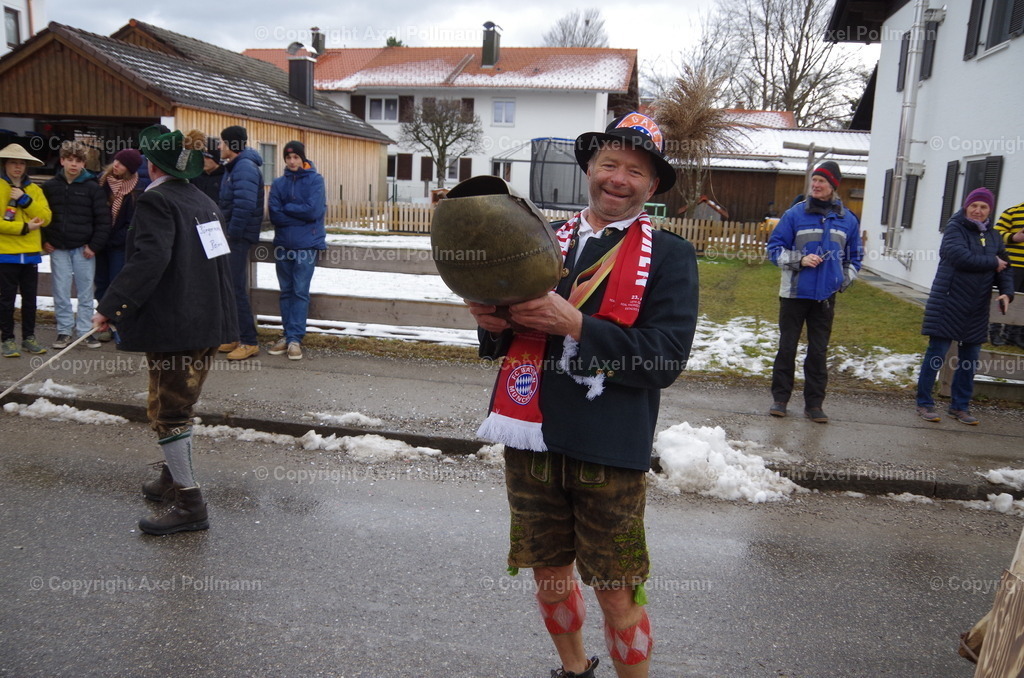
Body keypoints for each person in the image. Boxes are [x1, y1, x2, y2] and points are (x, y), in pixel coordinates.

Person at [466, 112, 699, 678]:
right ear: (590, 170)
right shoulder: (540, 240)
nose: (619, 178)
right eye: (609, 164)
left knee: (617, 594)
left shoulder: (670, 257)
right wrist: (489, 322)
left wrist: (577, 325)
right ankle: (575, 670)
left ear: (653, 185)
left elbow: (663, 360)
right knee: (548, 577)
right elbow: (508, 335)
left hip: (609, 447)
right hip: (531, 434)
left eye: (635, 171)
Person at [92, 125, 237, 535]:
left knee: (170, 410)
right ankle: (172, 478)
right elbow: (218, 261)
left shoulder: (157, 201)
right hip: (205, 322)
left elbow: (148, 260)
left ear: (153, 166)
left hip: (178, 325)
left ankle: (191, 504)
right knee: (167, 402)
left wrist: (111, 307)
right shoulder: (202, 199)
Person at [766, 160, 863, 423]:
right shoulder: (794, 215)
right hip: (794, 295)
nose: (816, 185)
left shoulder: (848, 220)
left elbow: (854, 257)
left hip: (824, 298)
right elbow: (773, 250)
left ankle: (814, 405)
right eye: (814, 180)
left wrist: (841, 281)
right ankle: (780, 400)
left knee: (818, 352)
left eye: (822, 181)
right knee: (787, 348)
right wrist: (800, 260)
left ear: (833, 186)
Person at [915, 188, 1013, 426]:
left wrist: (1006, 293)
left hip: (976, 306)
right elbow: (959, 256)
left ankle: (959, 407)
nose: (978, 211)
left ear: (990, 210)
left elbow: (1005, 266)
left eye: (984, 207)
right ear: (966, 207)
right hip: (948, 302)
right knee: (936, 355)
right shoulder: (954, 228)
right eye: (974, 206)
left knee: (970, 358)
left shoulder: (994, 235)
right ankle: (924, 403)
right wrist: (993, 262)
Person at [42, 140, 111, 349]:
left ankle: (85, 331)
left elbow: (103, 219)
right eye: (69, 160)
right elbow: (41, 214)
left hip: (83, 248)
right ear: (62, 160)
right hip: (58, 247)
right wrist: (44, 239)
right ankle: (64, 331)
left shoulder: (92, 188)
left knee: (85, 292)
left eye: (78, 161)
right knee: (61, 291)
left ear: (84, 163)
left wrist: (94, 245)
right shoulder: (50, 187)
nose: (73, 164)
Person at [267, 140, 326, 360]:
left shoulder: (315, 181)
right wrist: (294, 216)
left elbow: (313, 211)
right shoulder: (279, 183)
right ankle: (288, 334)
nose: (292, 161)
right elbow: (274, 214)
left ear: (302, 158)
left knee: (300, 291)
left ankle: (295, 339)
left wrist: (288, 209)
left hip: (306, 246)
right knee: (286, 292)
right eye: (288, 158)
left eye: (295, 157)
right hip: (283, 244)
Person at [0, 143, 52, 358]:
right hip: (6, 254)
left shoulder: (35, 190)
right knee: (6, 299)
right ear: (5, 164)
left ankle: (29, 337)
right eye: (13, 162)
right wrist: (25, 228)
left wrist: (24, 200)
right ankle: (7, 339)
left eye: (21, 163)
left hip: (30, 254)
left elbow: (46, 218)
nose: (18, 167)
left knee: (30, 299)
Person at [217, 125, 263, 361]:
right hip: (232, 236)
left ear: (232, 145)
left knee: (236, 287)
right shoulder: (235, 166)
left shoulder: (244, 167)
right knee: (230, 287)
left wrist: (231, 235)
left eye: (222, 142)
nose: (219, 146)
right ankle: (235, 335)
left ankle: (249, 341)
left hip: (237, 238)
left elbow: (244, 206)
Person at [94, 148, 143, 341]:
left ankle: (119, 326)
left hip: (118, 245)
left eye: (122, 164)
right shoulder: (102, 182)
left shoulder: (135, 191)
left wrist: (111, 238)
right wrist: (99, 237)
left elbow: (131, 223)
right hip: (100, 242)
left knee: (117, 284)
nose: (116, 165)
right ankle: (103, 324)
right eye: (116, 160)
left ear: (129, 169)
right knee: (101, 284)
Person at [992, 199, 1024, 348]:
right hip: (1013, 265)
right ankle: (995, 332)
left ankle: (1013, 335)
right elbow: (996, 234)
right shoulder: (1012, 212)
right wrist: (1013, 237)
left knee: (1022, 303)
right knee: (1005, 297)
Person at [191, 139, 224, 203]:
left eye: (207, 157)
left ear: (216, 159)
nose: (204, 160)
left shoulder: (225, 178)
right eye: (202, 156)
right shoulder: (195, 176)